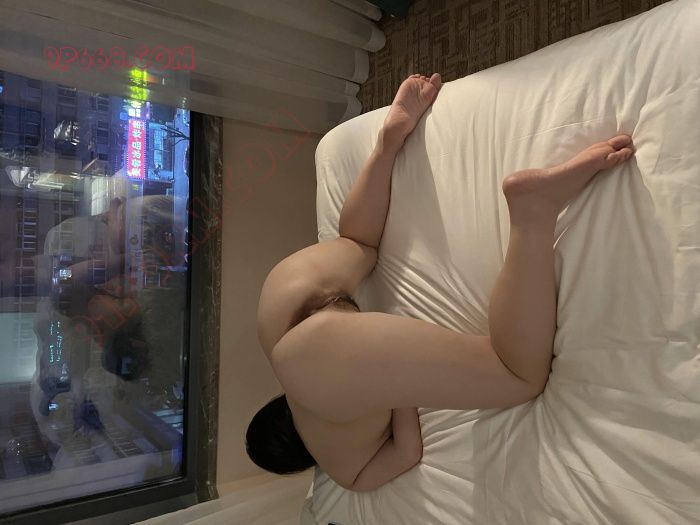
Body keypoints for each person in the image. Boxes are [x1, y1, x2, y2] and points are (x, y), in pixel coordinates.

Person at [246, 73, 635, 492]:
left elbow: (407, 451)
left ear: (298, 462)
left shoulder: (347, 473)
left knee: (517, 376)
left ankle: (533, 211)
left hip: (326, 367)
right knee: (357, 242)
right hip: (276, 306)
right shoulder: (289, 384)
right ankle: (389, 141)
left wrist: (393, 380)